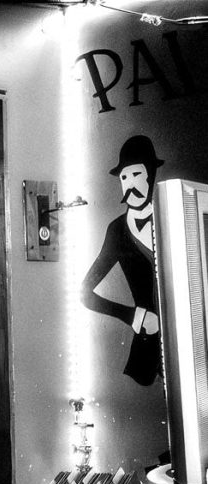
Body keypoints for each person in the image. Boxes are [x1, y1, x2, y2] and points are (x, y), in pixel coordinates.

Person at [81, 134, 165, 386]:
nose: (130, 185)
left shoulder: (171, 215)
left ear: (150, 175)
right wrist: (135, 316)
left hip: (190, 341)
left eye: (136, 175)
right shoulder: (117, 230)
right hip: (147, 352)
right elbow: (85, 292)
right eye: (124, 178)